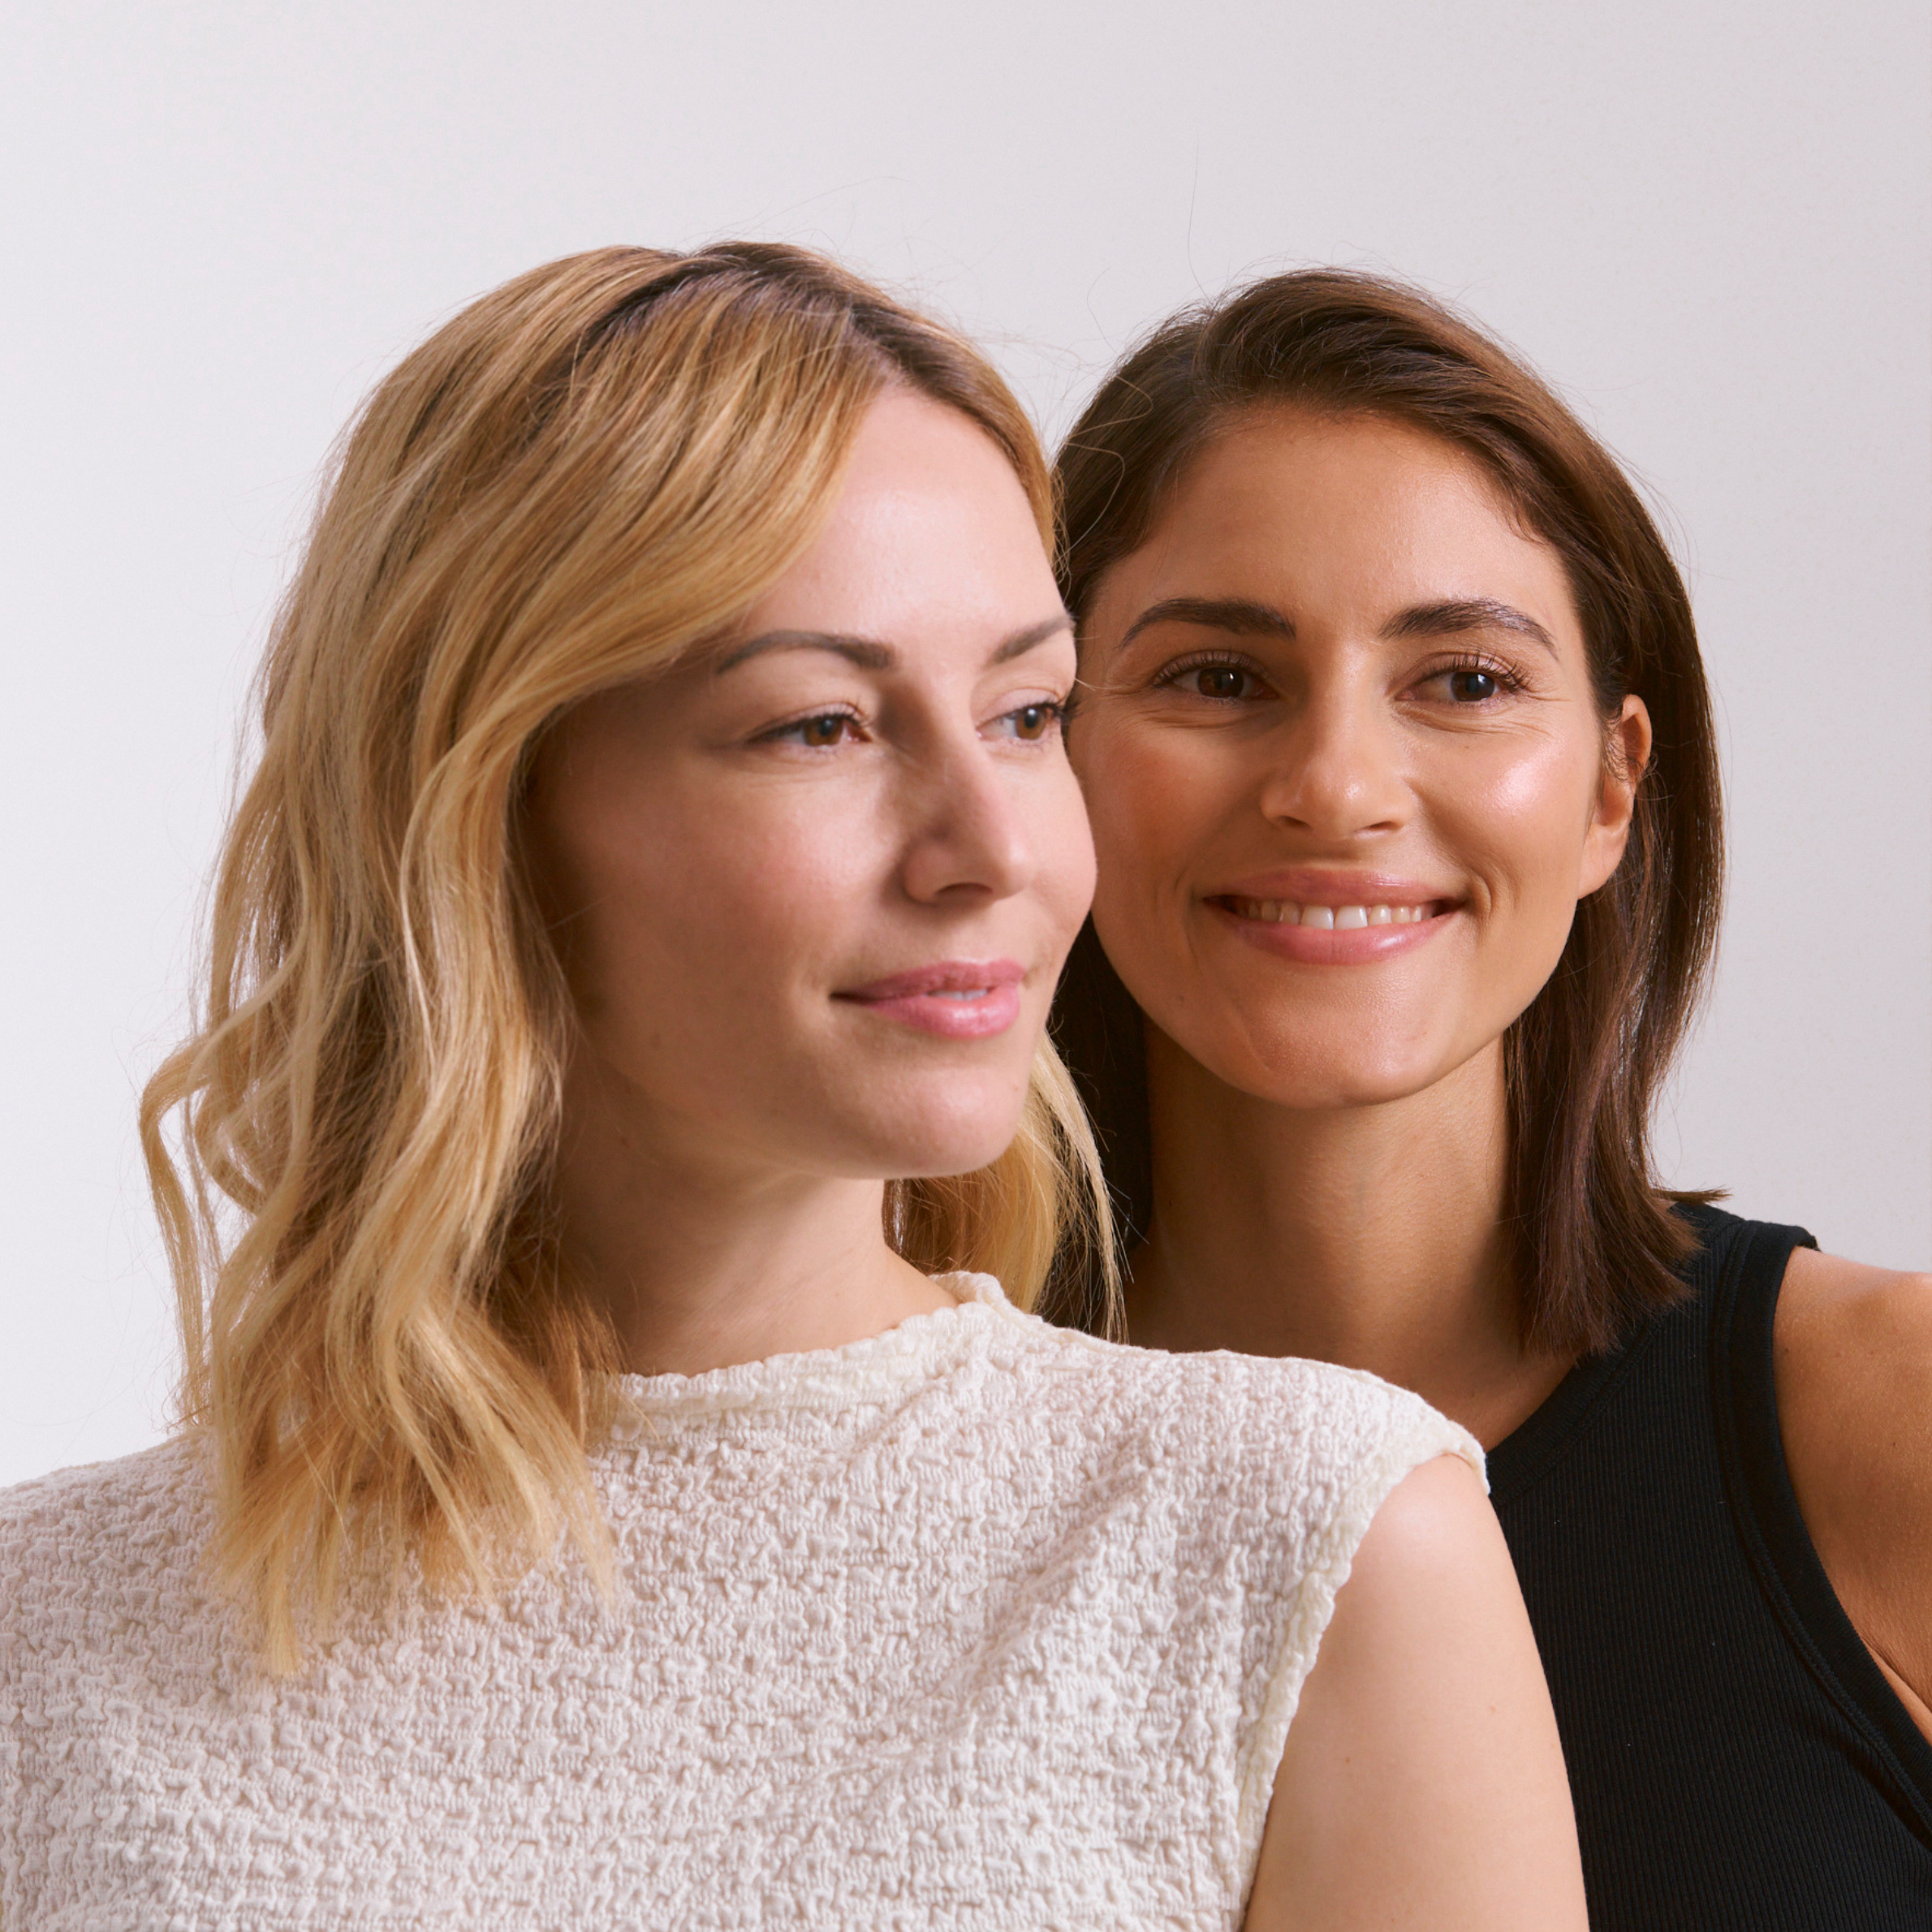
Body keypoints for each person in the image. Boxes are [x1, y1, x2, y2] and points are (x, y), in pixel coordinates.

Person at [0, 244, 1584, 1928]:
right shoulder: (50, 1638)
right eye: (822, 725)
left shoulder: (1305, 1545)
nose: (993, 849)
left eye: (1026, 712)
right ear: (486, 811)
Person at [1050, 267, 1932, 1928]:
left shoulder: (1889, 1419)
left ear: (1610, 789)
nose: (1335, 788)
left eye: (1461, 680)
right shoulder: (873, 1461)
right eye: (1218, 678)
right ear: (1049, 751)